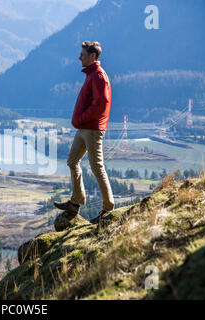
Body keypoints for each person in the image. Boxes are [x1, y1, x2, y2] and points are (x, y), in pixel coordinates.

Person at [54, 41, 115, 225]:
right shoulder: (91, 75)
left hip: (92, 128)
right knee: (73, 161)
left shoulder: (98, 76)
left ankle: (108, 208)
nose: (79, 57)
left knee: (97, 166)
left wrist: (81, 118)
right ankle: (76, 202)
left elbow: (101, 103)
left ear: (92, 56)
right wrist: (81, 121)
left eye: (83, 54)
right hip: (84, 128)